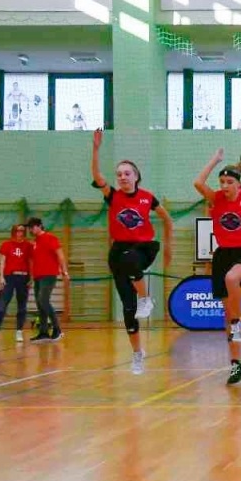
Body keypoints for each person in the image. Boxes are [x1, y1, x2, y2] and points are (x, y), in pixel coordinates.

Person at [93, 129, 175, 376]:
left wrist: (169, 246)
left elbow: (168, 220)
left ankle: (146, 298)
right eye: (119, 174)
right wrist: (96, 149)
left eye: (127, 173)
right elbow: (97, 176)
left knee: (131, 261)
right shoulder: (113, 196)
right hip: (119, 250)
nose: (122, 177)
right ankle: (138, 353)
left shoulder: (147, 198)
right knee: (128, 310)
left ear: (136, 176)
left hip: (142, 248)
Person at [195, 147, 241, 385]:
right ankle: (237, 365)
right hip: (223, 254)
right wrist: (215, 159)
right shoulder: (216, 199)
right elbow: (198, 182)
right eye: (222, 182)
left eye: (229, 182)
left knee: (232, 279)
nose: (224, 186)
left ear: (239, 184)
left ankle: (237, 320)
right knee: (227, 315)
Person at [0, 224, 33, 345]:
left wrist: (31, 277)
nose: (20, 233)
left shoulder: (28, 246)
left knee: (22, 306)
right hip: (9, 277)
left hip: (23, 277)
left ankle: (19, 331)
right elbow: (2, 261)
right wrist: (1, 277)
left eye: (22, 231)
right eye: (18, 231)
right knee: (1, 306)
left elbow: (31, 261)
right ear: (14, 232)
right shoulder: (6, 244)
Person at [25, 217, 69, 342]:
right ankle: (43, 332)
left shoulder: (50, 238)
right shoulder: (35, 242)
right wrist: (32, 277)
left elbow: (60, 255)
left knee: (43, 300)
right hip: (38, 276)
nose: (31, 230)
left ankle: (57, 329)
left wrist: (65, 271)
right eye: (29, 228)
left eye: (32, 227)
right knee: (40, 304)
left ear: (40, 226)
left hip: (49, 275)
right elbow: (34, 261)